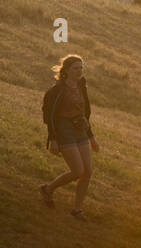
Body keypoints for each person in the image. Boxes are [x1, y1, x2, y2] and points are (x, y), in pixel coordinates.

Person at [39, 55, 99, 221]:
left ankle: (77, 209)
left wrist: (91, 136)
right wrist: (52, 138)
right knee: (77, 171)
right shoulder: (57, 90)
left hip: (80, 128)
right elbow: (49, 116)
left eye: (81, 68)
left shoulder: (81, 85)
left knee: (87, 172)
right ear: (65, 70)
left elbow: (85, 113)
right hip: (64, 130)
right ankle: (48, 189)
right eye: (75, 68)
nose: (79, 71)